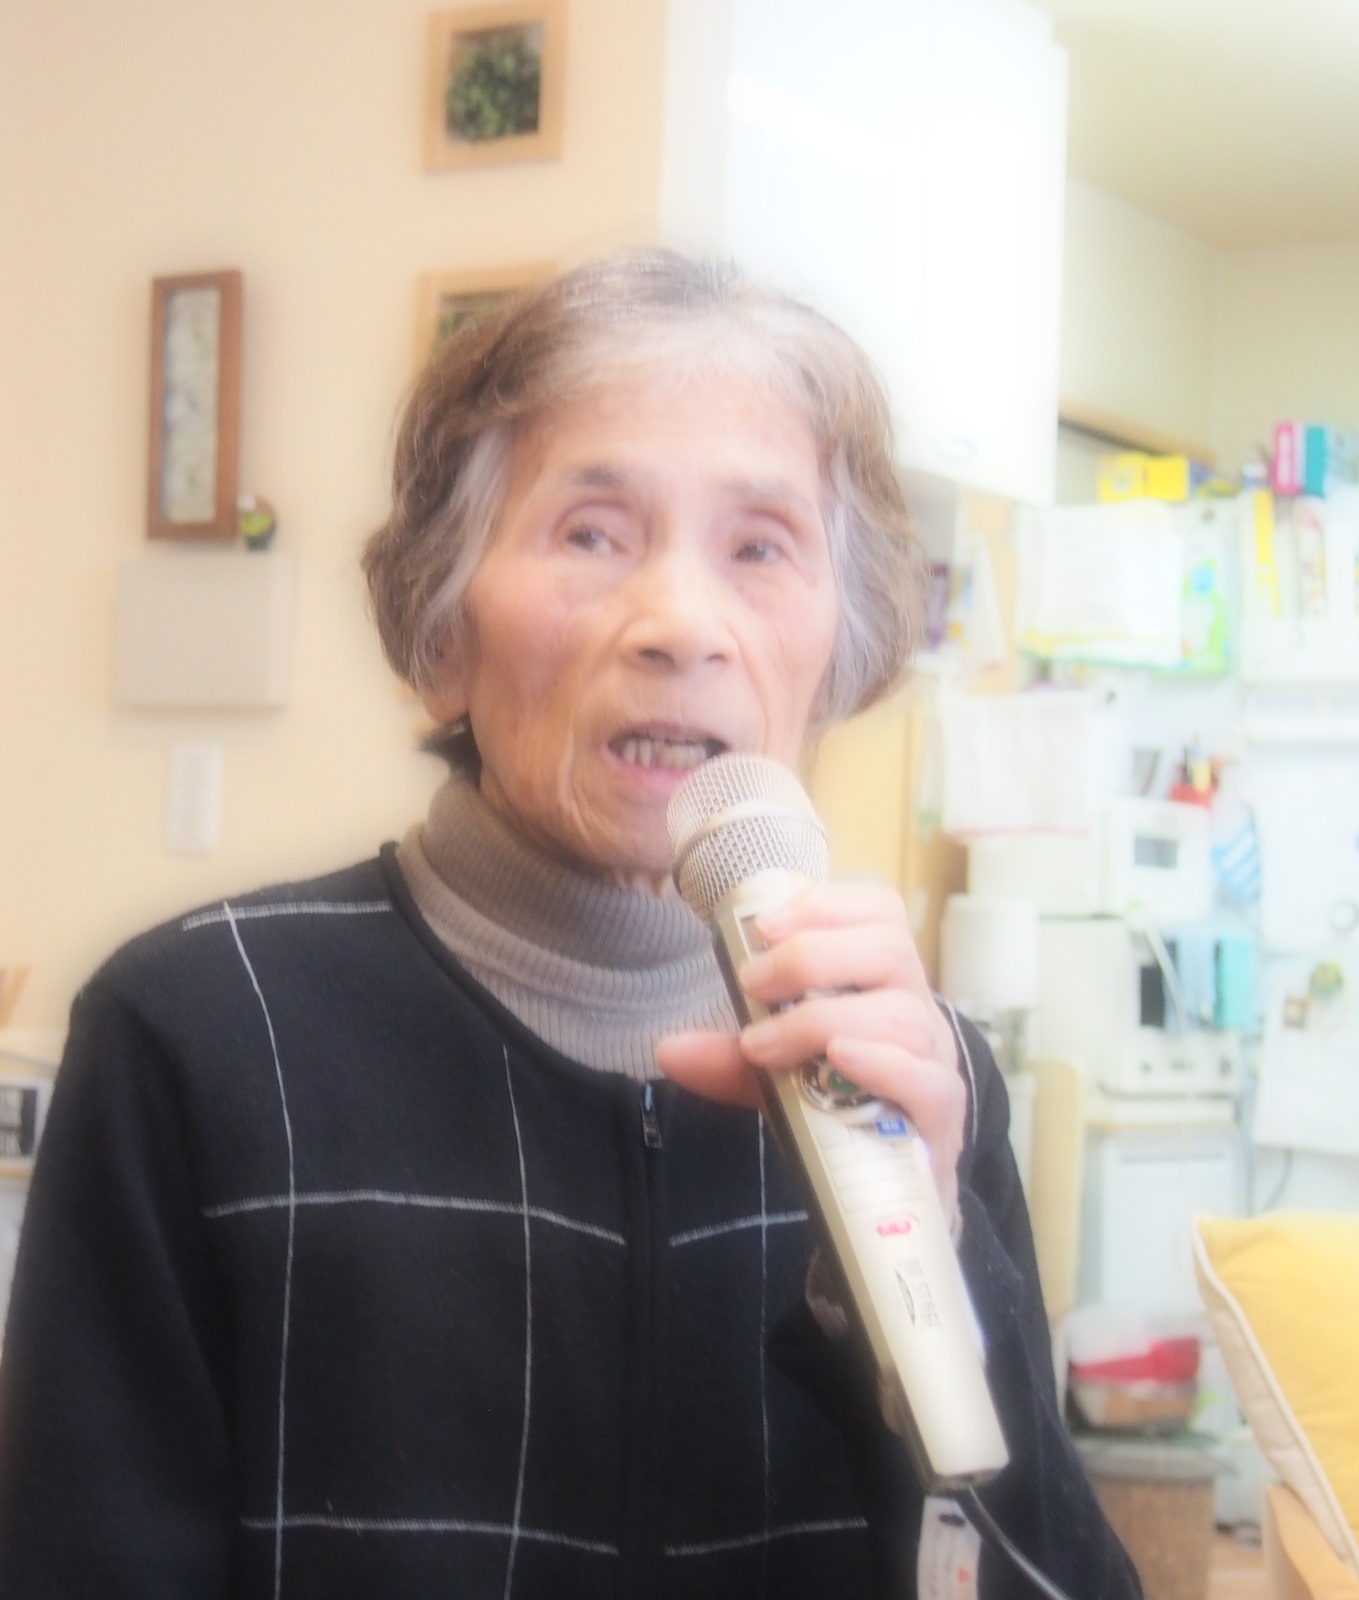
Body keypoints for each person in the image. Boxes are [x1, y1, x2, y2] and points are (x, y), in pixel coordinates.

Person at [0, 250, 1139, 1599]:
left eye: (760, 547)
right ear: (442, 630)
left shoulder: (915, 1078)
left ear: (841, 652)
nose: (681, 624)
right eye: (592, 533)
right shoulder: (199, 1034)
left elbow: (1052, 1578)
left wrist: (929, 1263)